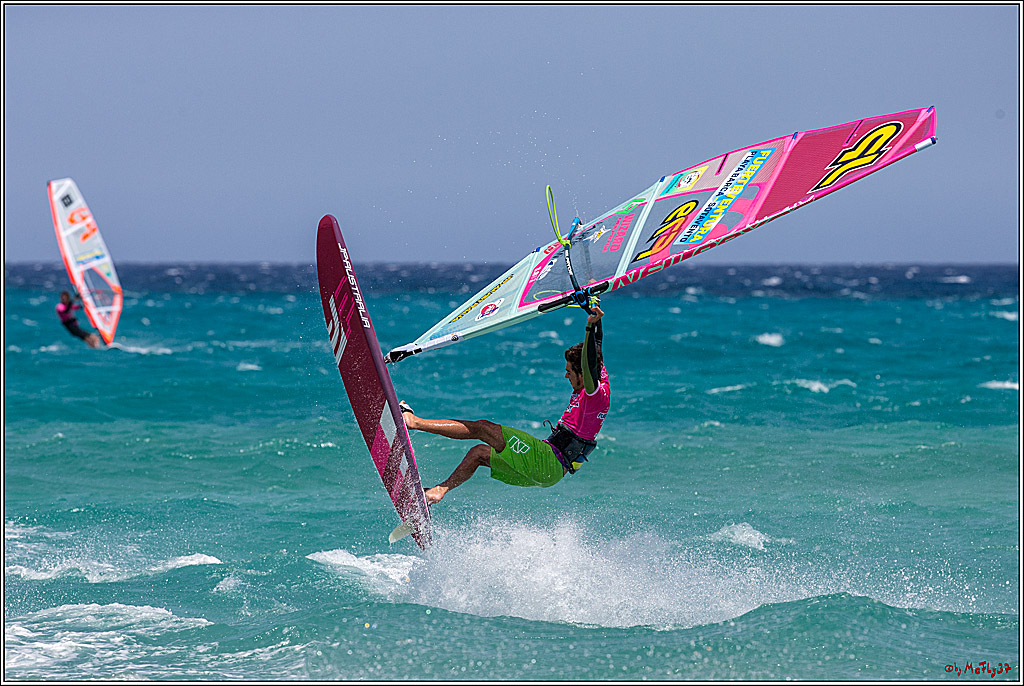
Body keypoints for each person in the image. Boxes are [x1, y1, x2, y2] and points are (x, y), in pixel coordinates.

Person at [401, 304, 610, 505]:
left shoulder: (594, 394)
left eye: (570, 372)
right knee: (479, 454)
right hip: (548, 473)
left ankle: (413, 422)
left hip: (548, 461)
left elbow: (588, 361)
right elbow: (596, 349)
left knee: (483, 428)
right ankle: (438, 492)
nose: (566, 376)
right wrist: (593, 308)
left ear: (583, 373)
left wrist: (589, 326)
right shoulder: (599, 375)